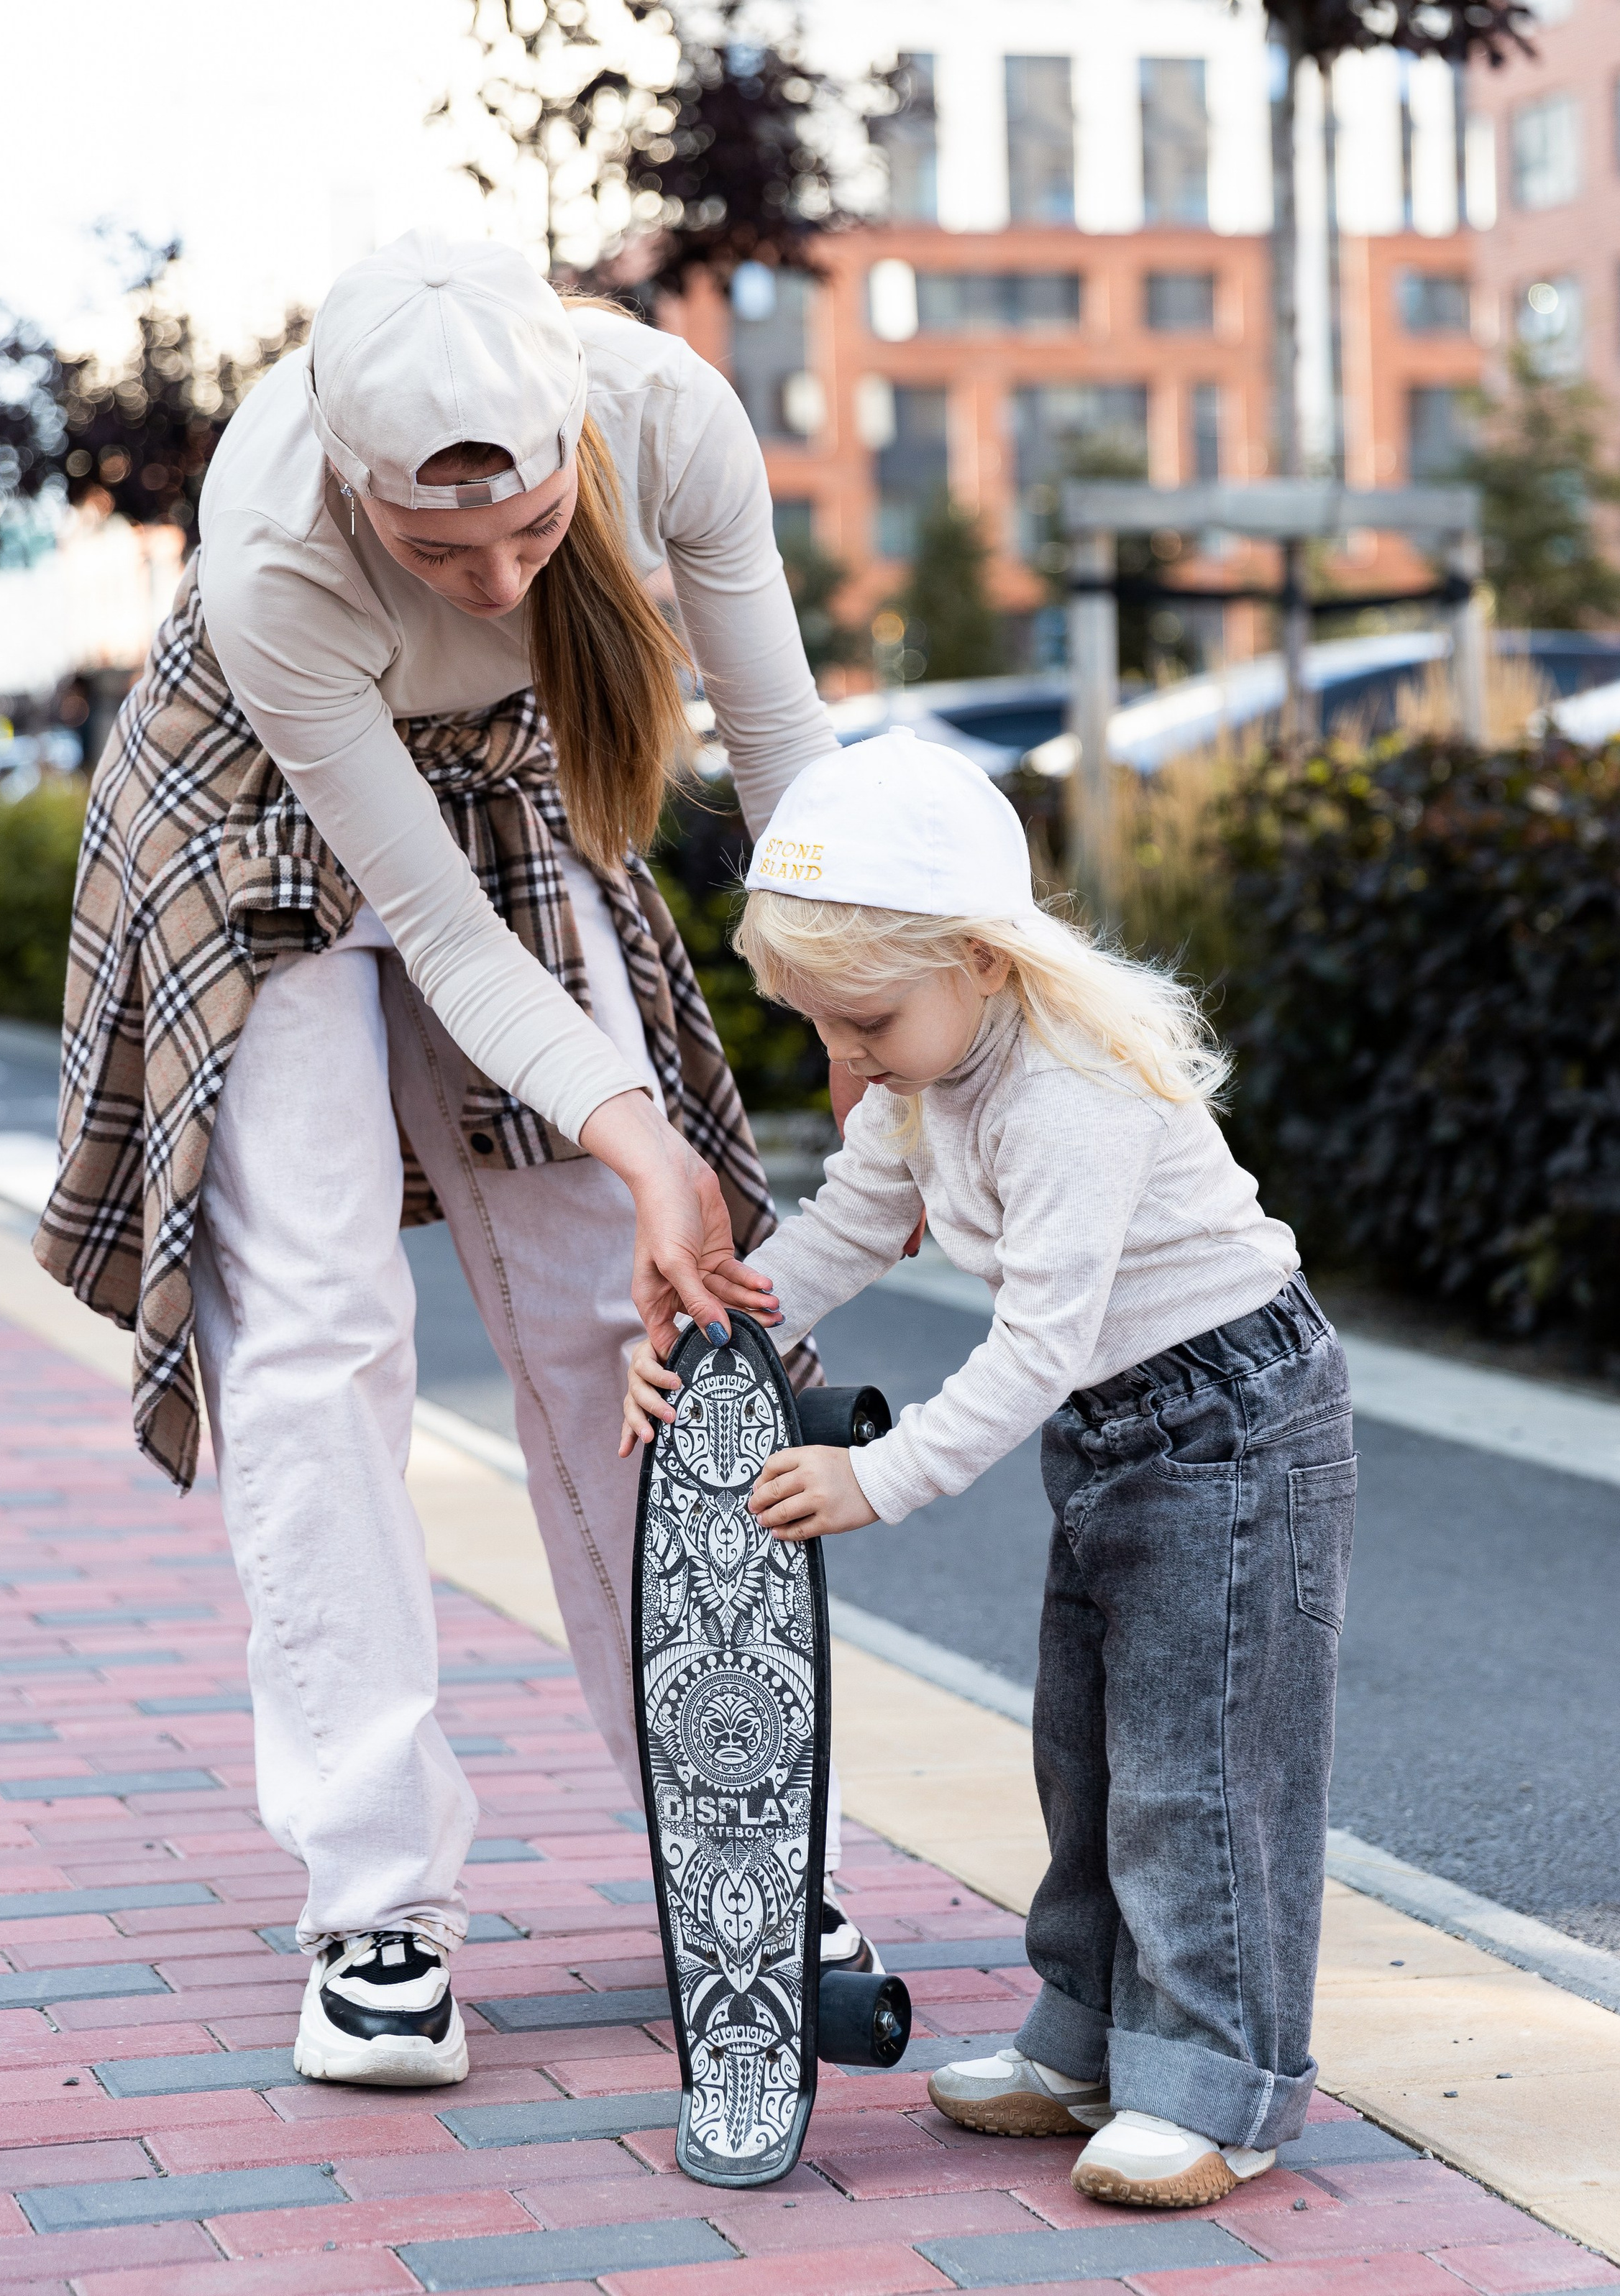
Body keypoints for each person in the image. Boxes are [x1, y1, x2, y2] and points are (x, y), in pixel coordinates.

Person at [35, 228, 879, 2093]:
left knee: (618, 1318)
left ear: (574, 428)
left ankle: (745, 1856)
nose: (501, 575)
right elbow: (434, 924)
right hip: (254, 807)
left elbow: (784, 749)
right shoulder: (275, 558)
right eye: (440, 555)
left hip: (499, 778)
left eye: (527, 531)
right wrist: (639, 1127)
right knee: (324, 1326)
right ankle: (375, 1907)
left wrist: (859, 994)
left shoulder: (670, 419)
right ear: (354, 494)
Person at [621, 728, 1355, 2211]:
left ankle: (1217, 2087)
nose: (845, 1063)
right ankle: (1088, 2041)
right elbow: (839, 1233)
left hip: (1228, 1421)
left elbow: (1036, 1340)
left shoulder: (1064, 1091)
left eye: (867, 1022)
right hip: (1119, 1429)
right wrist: (714, 1334)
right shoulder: (922, 1074)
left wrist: (875, 1479)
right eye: (819, 1030)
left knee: (1196, 1770)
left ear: (979, 960)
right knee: (1081, 1753)